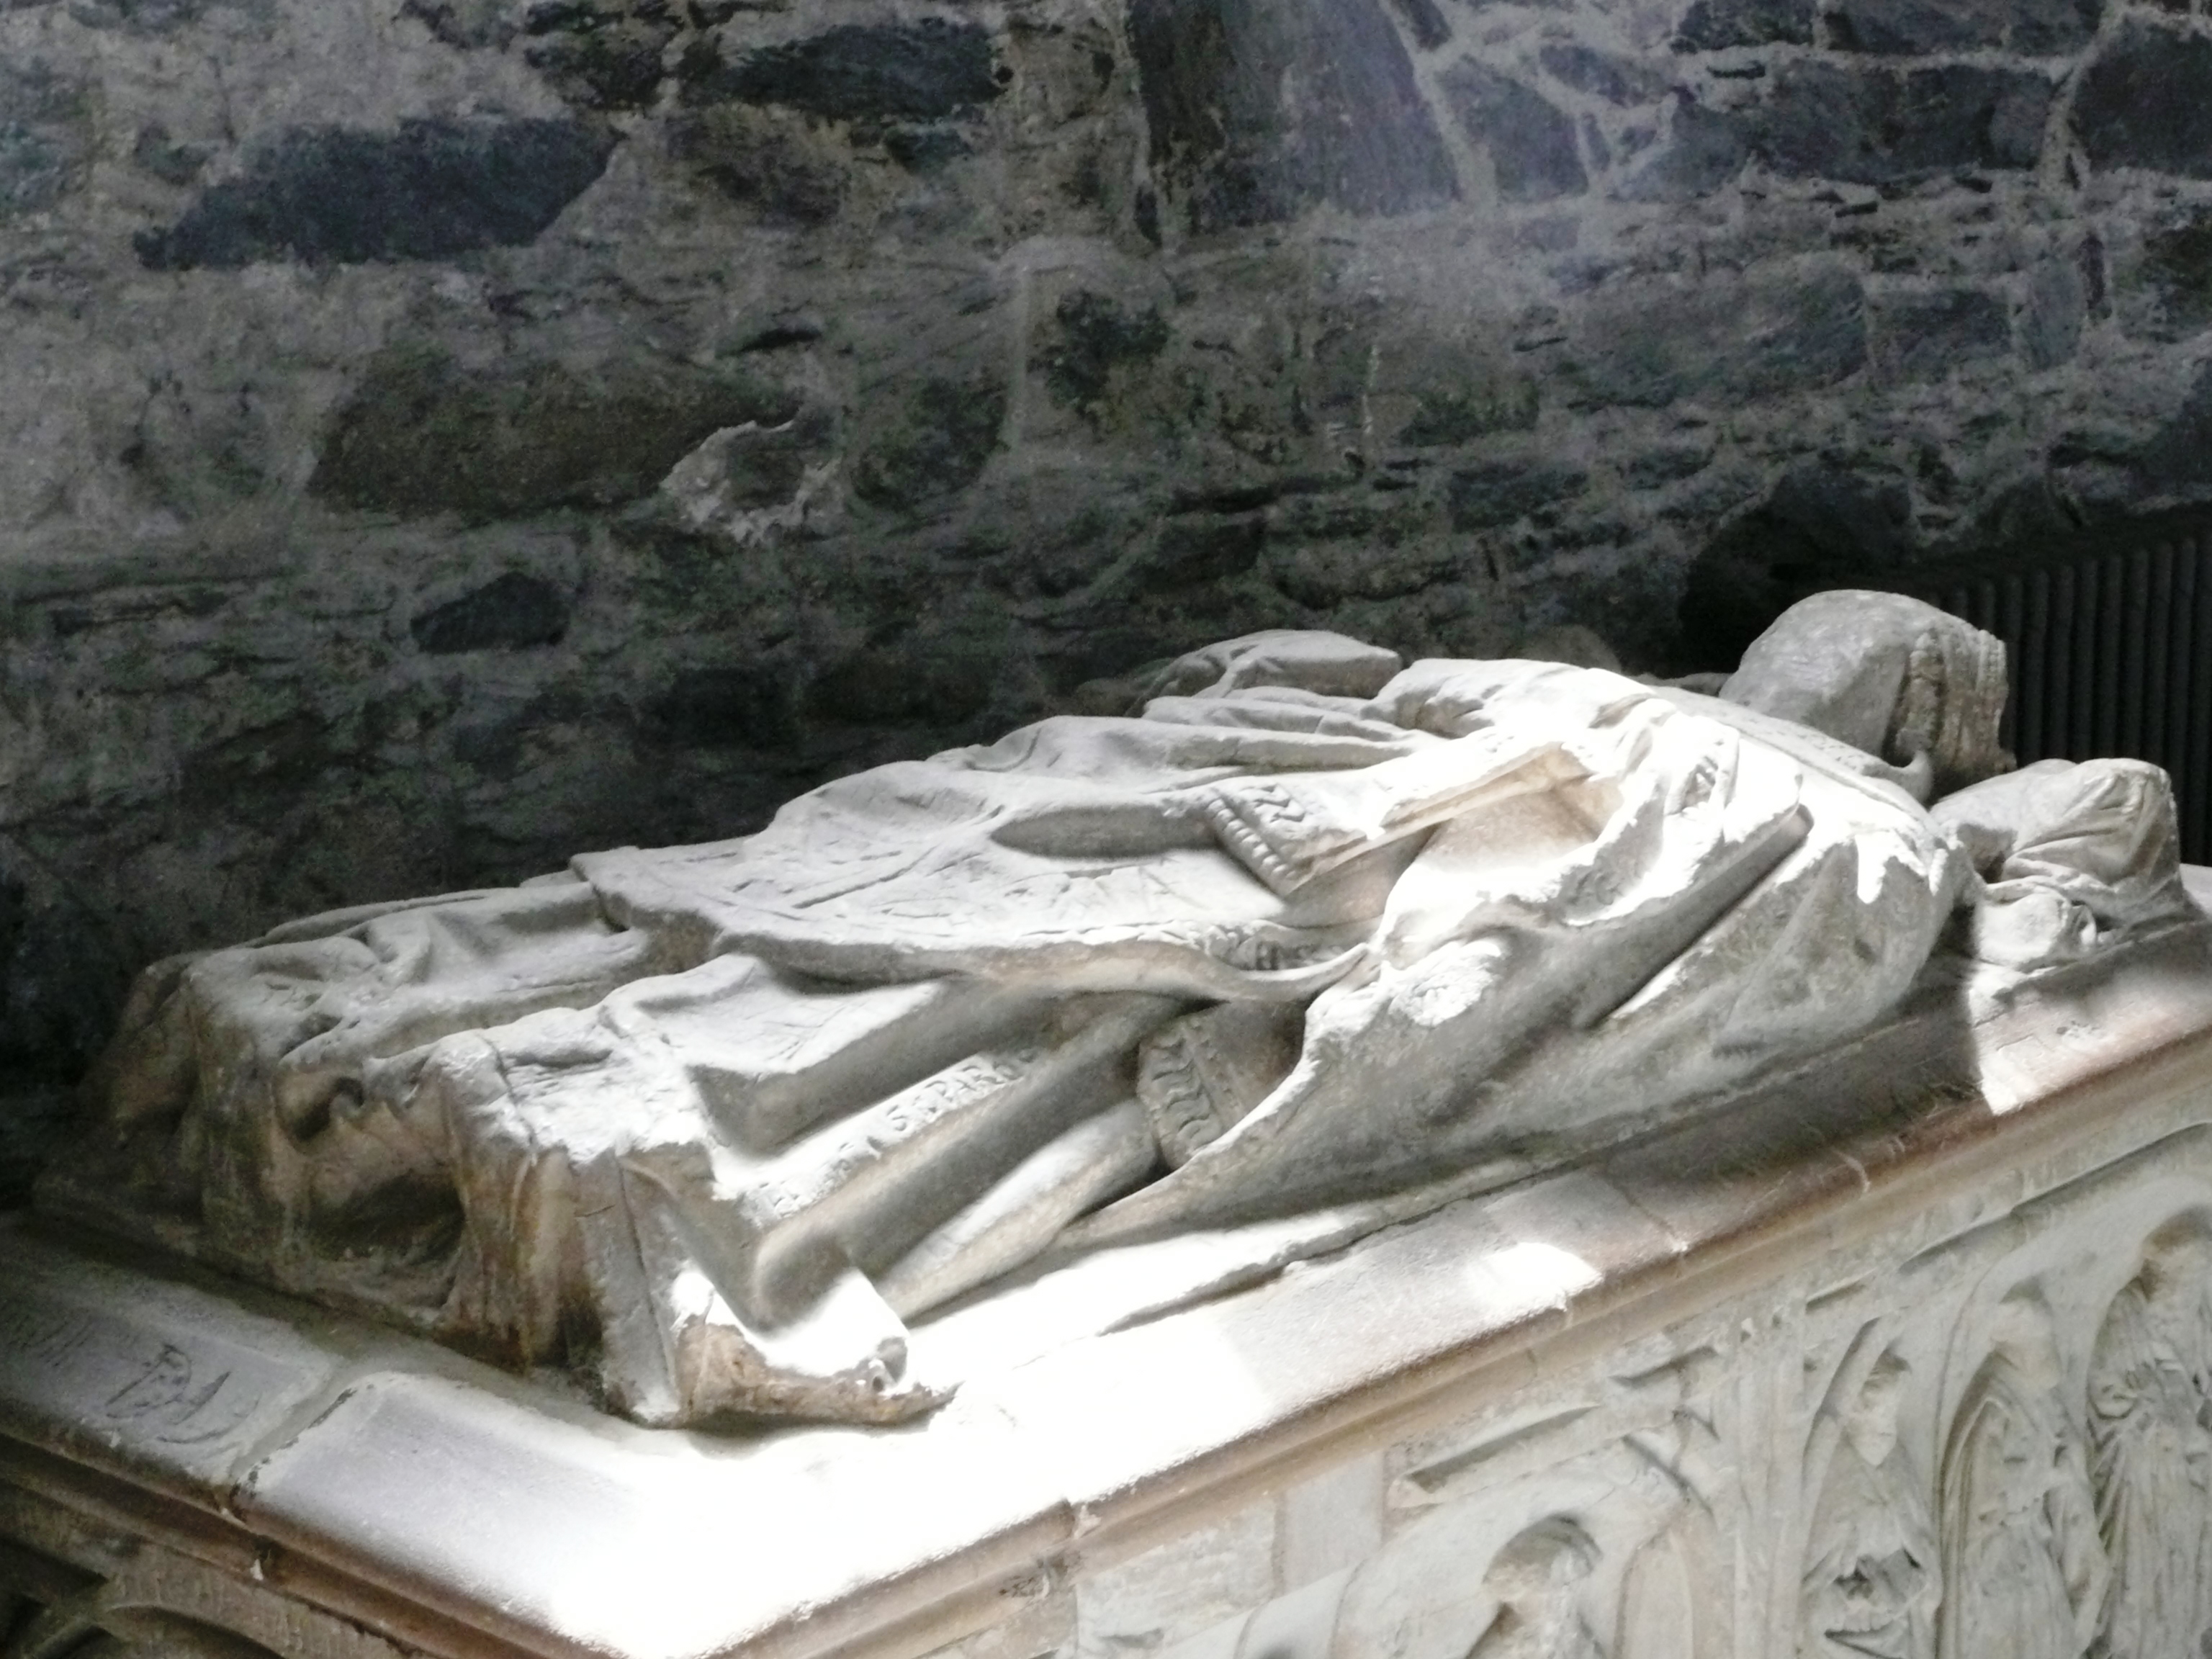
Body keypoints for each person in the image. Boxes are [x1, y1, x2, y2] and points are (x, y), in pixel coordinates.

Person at [42, 595, 2194, 1426]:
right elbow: (1650, 1000)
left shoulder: (1625, 719)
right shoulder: (1847, 828)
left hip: (1279, 860)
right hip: (1311, 890)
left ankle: (482, 1062)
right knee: (999, 1002)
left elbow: (1272, 700)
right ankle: (594, 1123)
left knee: (955, 956)